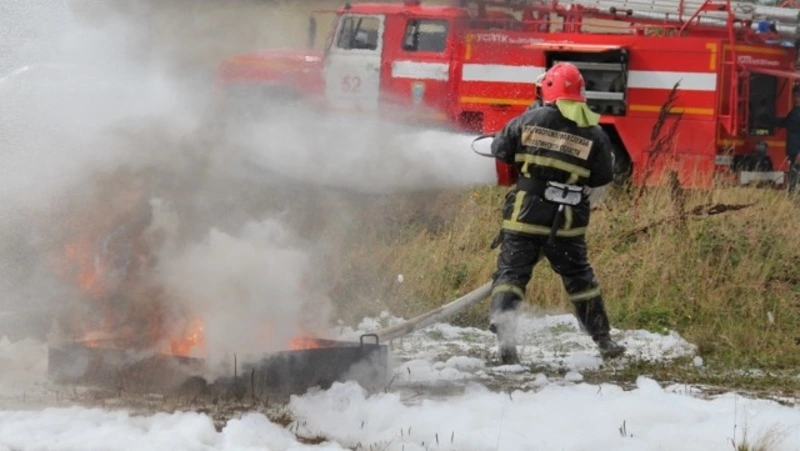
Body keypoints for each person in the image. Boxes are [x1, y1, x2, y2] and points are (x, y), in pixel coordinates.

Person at [488, 62, 626, 364]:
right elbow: (602, 176)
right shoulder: (595, 132)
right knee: (580, 279)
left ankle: (505, 339)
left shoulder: (529, 119)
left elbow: (500, 148)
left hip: (525, 217)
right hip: (567, 224)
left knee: (512, 275)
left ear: (547, 89)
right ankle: (604, 341)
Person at [771, 85, 800, 193]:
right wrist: (767, 118)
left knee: (795, 175)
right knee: (794, 174)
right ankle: (792, 196)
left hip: (797, 151)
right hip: (793, 151)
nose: (795, 99)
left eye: (798, 96)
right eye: (794, 96)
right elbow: (785, 122)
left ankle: (793, 196)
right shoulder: (795, 112)